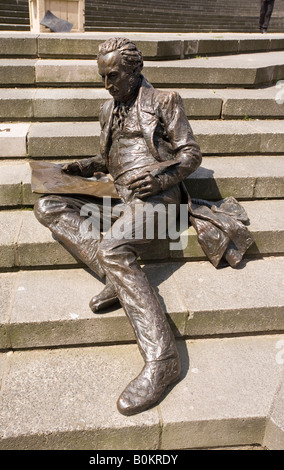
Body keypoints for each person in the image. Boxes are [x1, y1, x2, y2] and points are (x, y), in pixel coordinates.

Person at [34, 38, 253, 416]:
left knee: (113, 248)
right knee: (47, 203)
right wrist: (83, 168)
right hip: (117, 193)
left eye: (114, 76)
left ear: (135, 70)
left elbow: (191, 153)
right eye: (103, 77)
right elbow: (110, 157)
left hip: (157, 198)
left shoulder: (164, 100)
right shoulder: (107, 108)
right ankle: (119, 278)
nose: (108, 84)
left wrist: (162, 177)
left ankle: (162, 359)